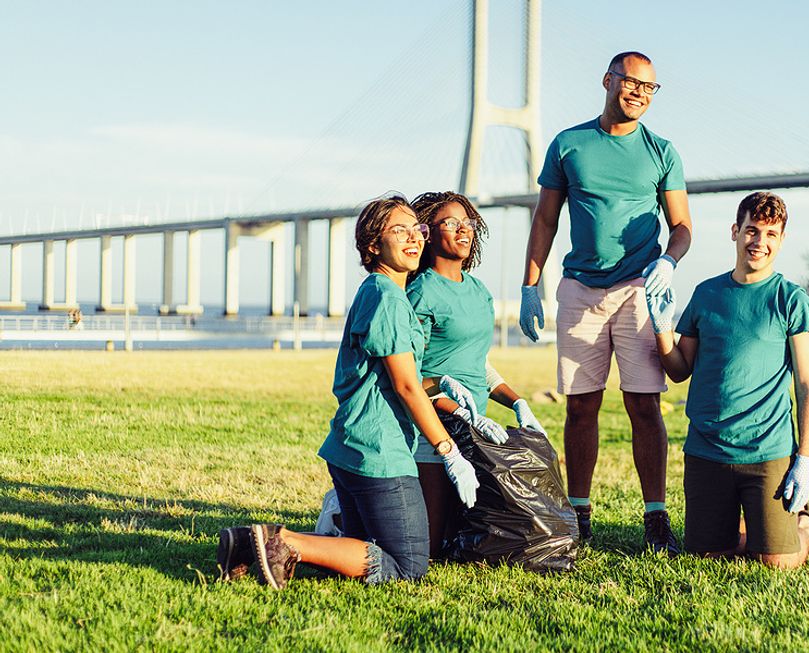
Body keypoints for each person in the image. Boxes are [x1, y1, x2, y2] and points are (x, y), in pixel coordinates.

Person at [216, 194, 480, 588]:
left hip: (352, 446)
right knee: (409, 567)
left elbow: (395, 374)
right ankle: (282, 542)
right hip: (379, 452)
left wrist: (441, 383)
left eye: (417, 229)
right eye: (398, 230)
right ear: (374, 246)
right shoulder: (388, 298)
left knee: (366, 545)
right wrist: (448, 451)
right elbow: (406, 386)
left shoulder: (378, 291)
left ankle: (245, 543)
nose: (413, 238)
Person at [519, 51, 692, 552]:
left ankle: (655, 517)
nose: (638, 92)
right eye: (629, 81)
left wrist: (669, 262)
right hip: (580, 291)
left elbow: (681, 227)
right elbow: (546, 220)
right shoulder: (568, 144)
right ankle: (578, 513)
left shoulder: (662, 152)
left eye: (649, 87)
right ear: (607, 80)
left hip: (639, 288)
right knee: (580, 407)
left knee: (644, 404)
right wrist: (530, 285)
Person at [647, 191, 809, 568]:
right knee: (707, 556)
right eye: (752, 231)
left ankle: (804, 529)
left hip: (767, 452)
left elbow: (807, 384)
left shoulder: (792, 300)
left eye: (771, 234)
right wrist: (661, 327)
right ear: (735, 232)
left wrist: (803, 461)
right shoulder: (706, 294)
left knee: (777, 562)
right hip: (707, 452)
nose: (760, 242)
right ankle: (752, 522)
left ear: (781, 240)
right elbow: (678, 370)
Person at [407, 190, 547, 557]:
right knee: (432, 547)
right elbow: (408, 375)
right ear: (427, 233)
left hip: (475, 430)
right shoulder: (421, 292)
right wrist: (457, 410)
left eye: (467, 222)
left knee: (472, 535)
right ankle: (341, 514)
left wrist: (517, 403)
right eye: (450, 223)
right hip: (433, 428)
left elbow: (477, 364)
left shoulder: (480, 292)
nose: (463, 230)